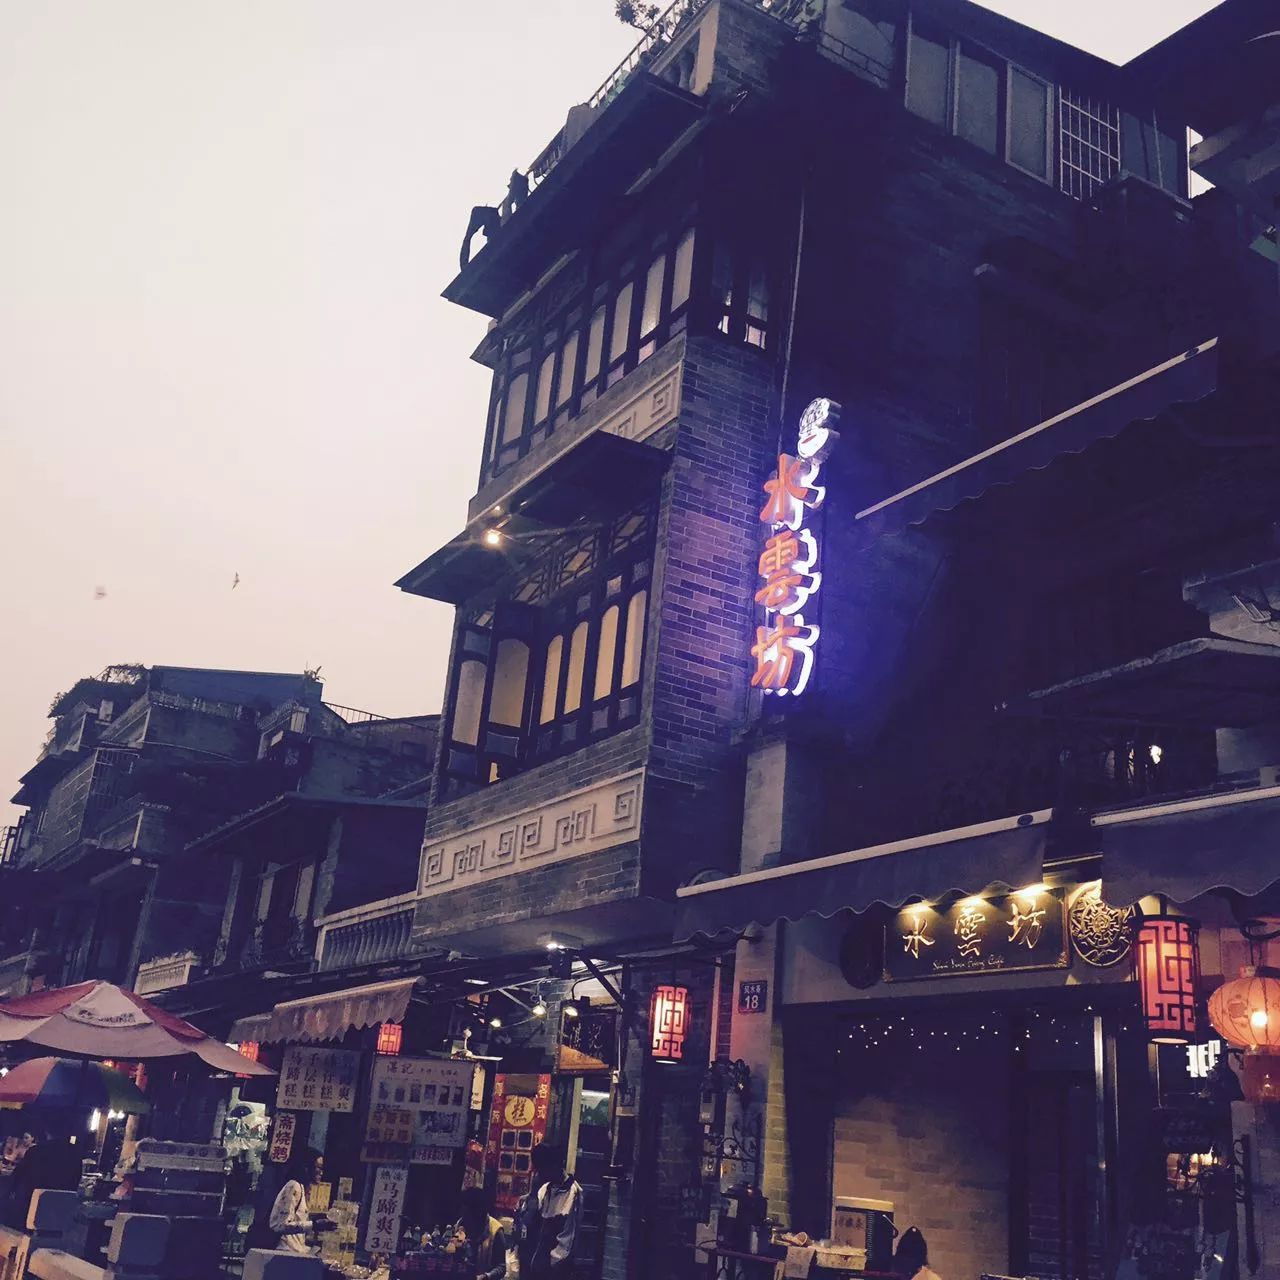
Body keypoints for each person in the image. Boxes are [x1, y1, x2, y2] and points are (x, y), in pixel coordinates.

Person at [4, 1125, 81, 1229]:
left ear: (47, 1131)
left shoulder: (36, 1151)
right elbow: (76, 1181)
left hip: (30, 1210)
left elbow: (18, 1176)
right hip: (62, 1212)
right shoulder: (75, 1153)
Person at [524, 1144, 582, 1279]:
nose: (540, 1173)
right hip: (535, 1266)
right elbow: (528, 1223)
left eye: (543, 1169)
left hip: (553, 1271)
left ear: (554, 1165)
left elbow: (567, 1241)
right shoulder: (544, 1189)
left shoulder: (572, 1193)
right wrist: (533, 1195)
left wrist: (549, 1266)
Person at [269, 1149, 323, 1254]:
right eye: (318, 1167)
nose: (321, 1172)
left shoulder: (303, 1189)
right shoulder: (294, 1186)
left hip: (295, 1252)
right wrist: (313, 1225)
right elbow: (281, 1225)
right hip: (284, 1252)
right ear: (306, 1167)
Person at [454, 1187, 507, 1280]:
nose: (463, 1214)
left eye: (467, 1211)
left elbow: (502, 1267)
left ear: (479, 1211)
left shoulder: (496, 1230)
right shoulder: (460, 1224)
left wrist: (486, 1276)